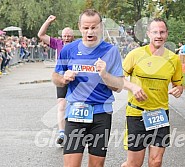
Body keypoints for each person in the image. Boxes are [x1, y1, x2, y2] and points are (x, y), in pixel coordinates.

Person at [52, 9, 123, 167]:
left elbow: (119, 86)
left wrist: (105, 75)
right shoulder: (68, 50)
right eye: (85, 28)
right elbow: (55, 77)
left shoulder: (111, 51)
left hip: (101, 114)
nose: (90, 32)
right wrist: (63, 78)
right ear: (79, 27)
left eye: (94, 27)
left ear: (100, 26)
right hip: (76, 113)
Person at [121, 18, 183, 167]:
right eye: (155, 32)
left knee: (156, 161)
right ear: (148, 34)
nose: (159, 35)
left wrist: (178, 90)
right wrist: (133, 87)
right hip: (137, 114)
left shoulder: (173, 59)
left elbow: (179, 85)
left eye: (162, 32)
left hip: (160, 115)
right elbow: (119, 79)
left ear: (167, 34)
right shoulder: (135, 55)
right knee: (134, 164)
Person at [38, 15, 75, 146]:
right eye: (64, 36)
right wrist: (48, 21)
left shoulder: (78, 46)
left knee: (76, 105)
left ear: (73, 36)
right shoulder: (58, 43)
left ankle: (76, 131)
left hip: (76, 78)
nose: (66, 38)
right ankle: (61, 133)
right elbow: (41, 35)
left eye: (68, 36)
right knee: (61, 105)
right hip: (61, 77)